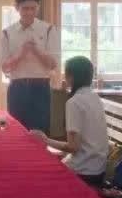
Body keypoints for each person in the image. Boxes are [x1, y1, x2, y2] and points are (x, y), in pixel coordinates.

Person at [31, 56, 108, 188]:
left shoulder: (74, 102)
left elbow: (73, 147)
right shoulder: (95, 98)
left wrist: (45, 140)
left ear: (71, 77)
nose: (63, 77)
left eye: (65, 74)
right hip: (98, 168)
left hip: (84, 171)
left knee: (37, 173)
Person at [0, 0, 60, 132]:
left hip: (41, 87)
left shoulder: (48, 29)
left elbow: (53, 64)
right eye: (25, 8)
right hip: (17, 88)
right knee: (16, 132)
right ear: (16, 7)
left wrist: (37, 51)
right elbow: (4, 67)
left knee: (40, 132)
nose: (29, 12)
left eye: (33, 8)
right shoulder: (8, 33)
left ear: (38, 7)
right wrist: (21, 54)